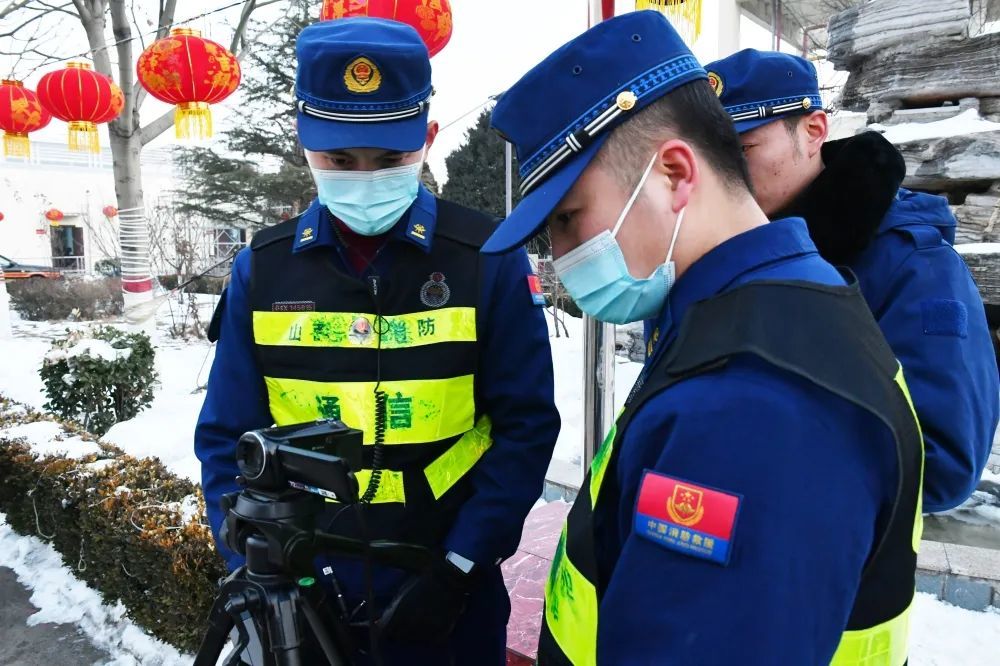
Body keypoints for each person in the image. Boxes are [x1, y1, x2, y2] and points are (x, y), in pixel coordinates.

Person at [482, 11, 923, 665]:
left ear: (675, 174)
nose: (565, 254)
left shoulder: (752, 405)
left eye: (571, 218)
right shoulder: (762, 312)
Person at [195, 18, 560, 665]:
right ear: (303, 143)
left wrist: (460, 567)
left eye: (389, 160)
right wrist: (258, 566)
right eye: (339, 160)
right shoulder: (265, 269)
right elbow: (228, 439)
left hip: (448, 588)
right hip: (305, 594)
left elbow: (524, 428)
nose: (363, 178)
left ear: (426, 137)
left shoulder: (486, 259)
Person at [705, 48, 1000, 514]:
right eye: (713, 156)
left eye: (743, 150)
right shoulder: (728, 251)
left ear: (814, 130)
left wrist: (751, 446)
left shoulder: (913, 265)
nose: (724, 177)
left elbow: (941, 461)